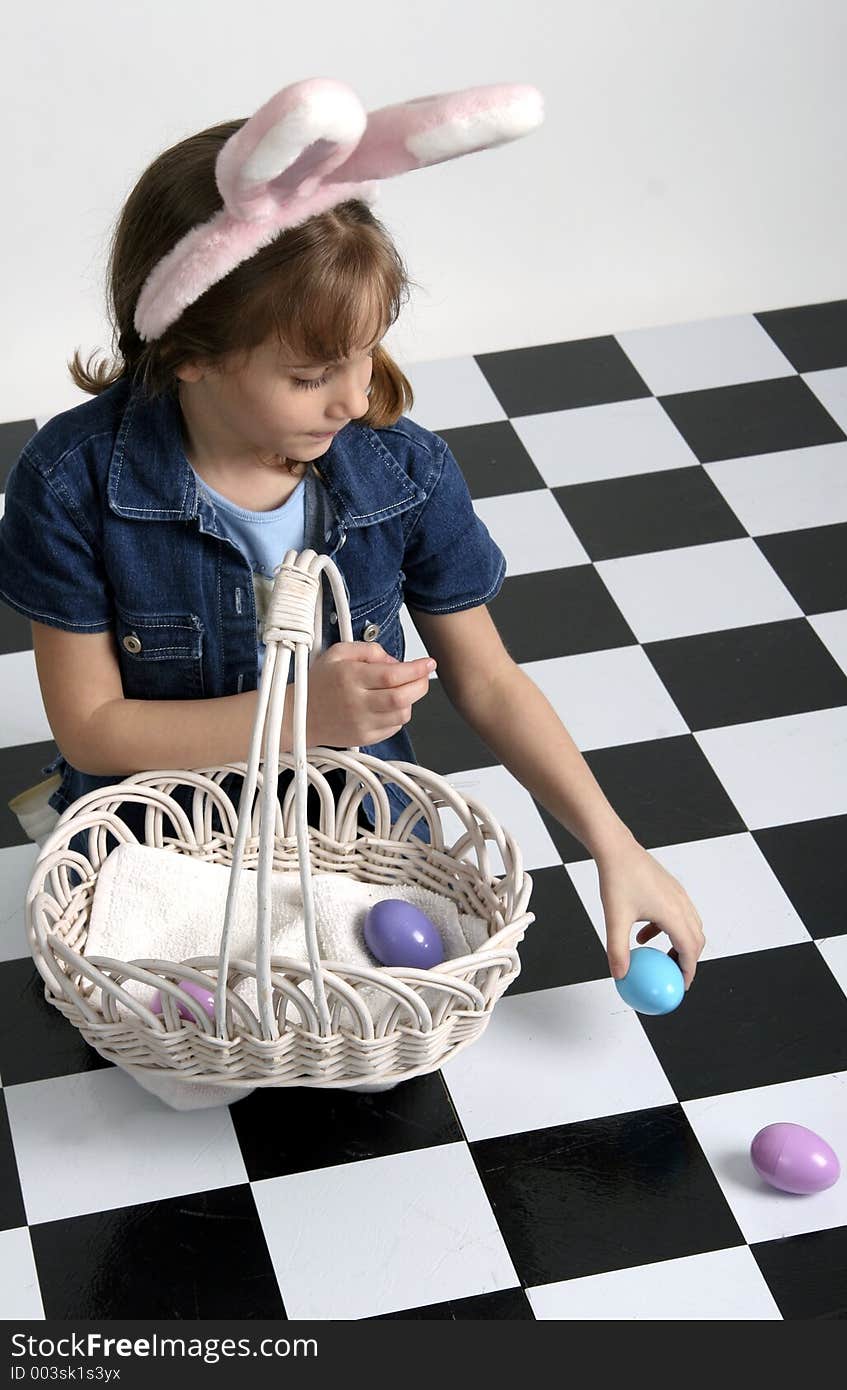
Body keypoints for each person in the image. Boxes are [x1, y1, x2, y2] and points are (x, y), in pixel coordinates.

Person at [0, 78, 704, 988]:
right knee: (176, 1042)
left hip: (350, 827)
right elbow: (93, 729)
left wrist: (617, 844)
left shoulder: (398, 471)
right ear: (186, 355)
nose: (357, 396)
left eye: (368, 350)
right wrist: (301, 717)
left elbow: (488, 681)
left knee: (360, 1017)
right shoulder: (72, 482)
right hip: (160, 830)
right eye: (311, 375)